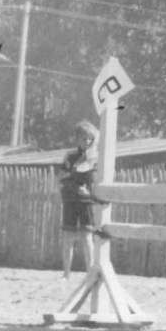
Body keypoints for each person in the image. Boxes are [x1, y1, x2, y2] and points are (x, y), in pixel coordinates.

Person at [59, 119, 98, 278]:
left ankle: (90, 272)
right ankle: (66, 273)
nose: (87, 141)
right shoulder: (70, 156)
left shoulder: (95, 157)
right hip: (70, 200)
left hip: (86, 201)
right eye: (84, 138)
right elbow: (61, 176)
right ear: (77, 139)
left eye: (90, 138)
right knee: (68, 237)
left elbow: (95, 178)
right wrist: (73, 179)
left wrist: (87, 189)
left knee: (87, 237)